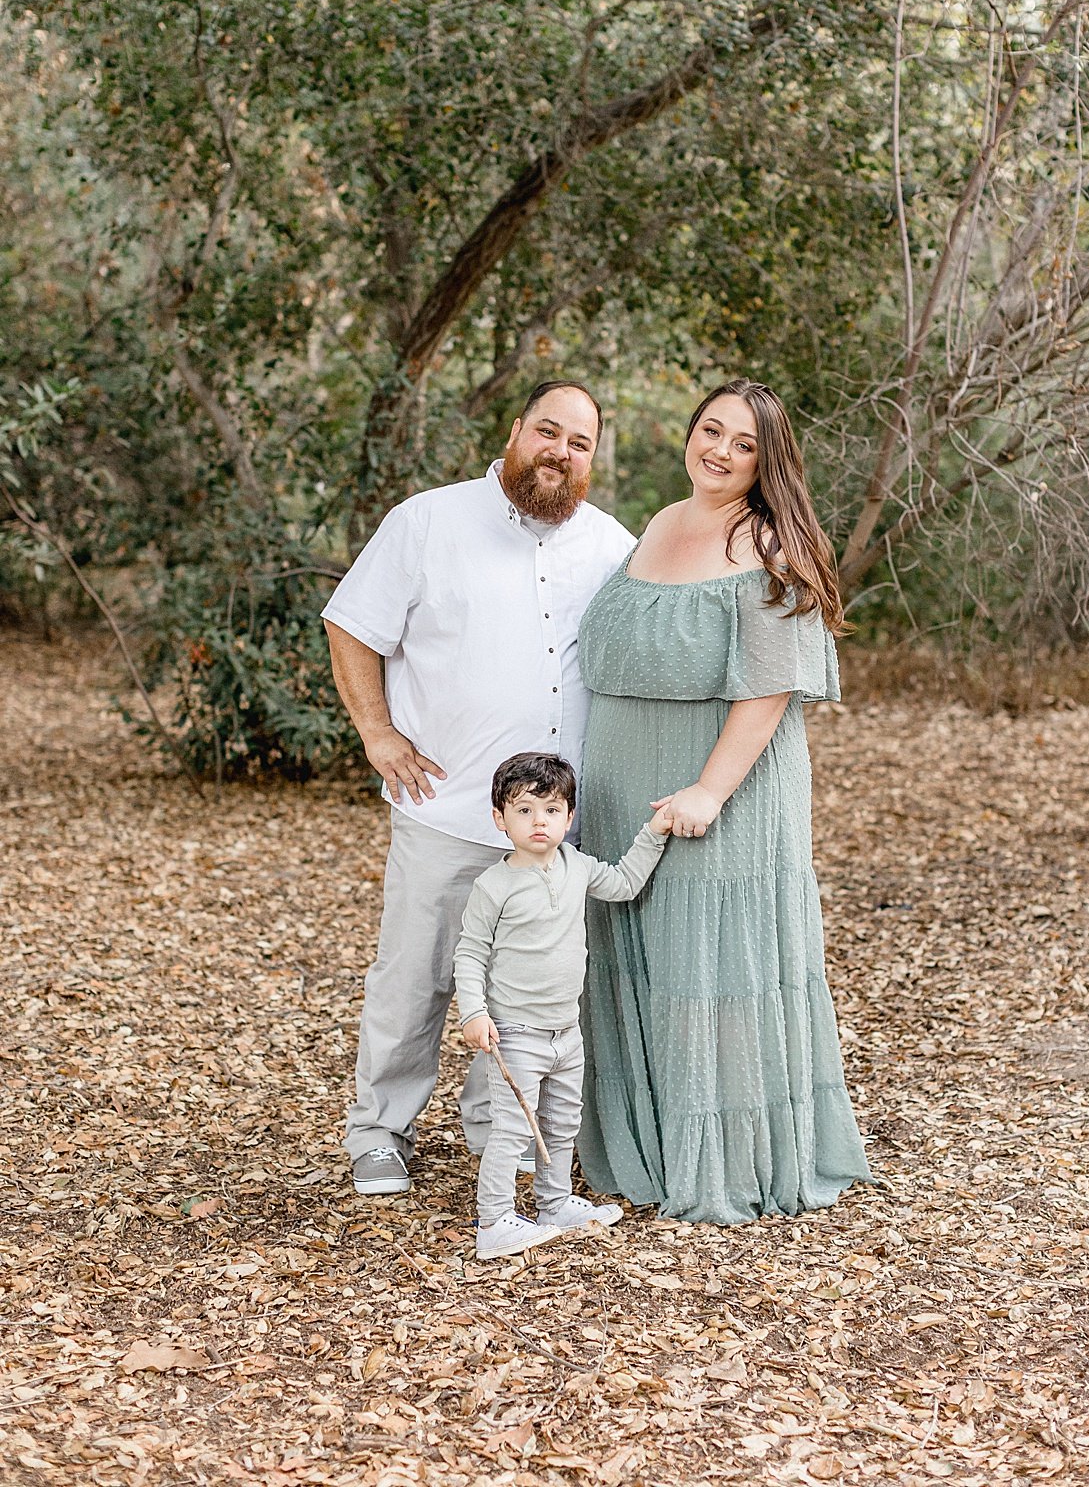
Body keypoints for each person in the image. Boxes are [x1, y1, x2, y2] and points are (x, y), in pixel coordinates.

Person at [321, 382, 634, 1197]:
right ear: (515, 432)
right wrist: (378, 732)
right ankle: (380, 1132)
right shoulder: (427, 521)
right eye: (548, 432)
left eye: (580, 443)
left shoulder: (607, 544)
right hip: (449, 807)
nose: (560, 453)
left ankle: (497, 1130)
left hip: (555, 831)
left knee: (527, 986)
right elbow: (351, 624)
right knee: (416, 976)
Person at [575, 378, 872, 1225]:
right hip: (623, 780)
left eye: (745, 445)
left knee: (713, 965)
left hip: (718, 784)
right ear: (691, 432)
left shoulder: (770, 542)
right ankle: (651, 1142)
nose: (721, 451)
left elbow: (771, 688)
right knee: (643, 960)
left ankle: (731, 1160)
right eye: (713, 431)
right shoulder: (664, 521)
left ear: (767, 462)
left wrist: (709, 788)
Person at [454, 752, 671, 1259]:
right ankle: (495, 1222)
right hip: (514, 1031)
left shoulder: (578, 867)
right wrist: (473, 1012)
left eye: (551, 810)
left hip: (565, 1032)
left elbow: (623, 883)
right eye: (524, 810)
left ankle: (553, 1205)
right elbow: (469, 951)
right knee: (512, 1128)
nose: (538, 822)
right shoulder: (494, 885)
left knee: (560, 1124)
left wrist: (655, 831)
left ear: (569, 818)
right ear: (499, 819)